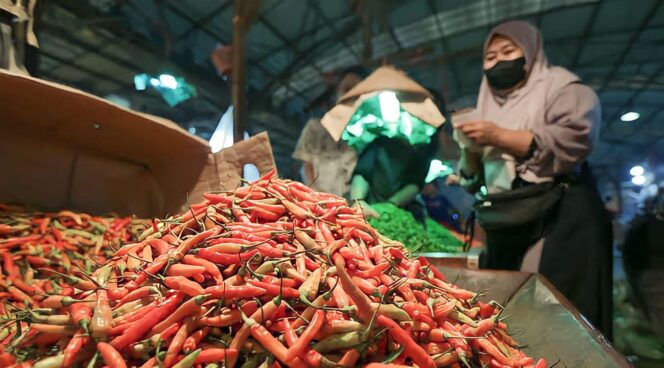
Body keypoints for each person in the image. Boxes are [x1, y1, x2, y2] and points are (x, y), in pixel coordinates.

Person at [454, 20, 613, 337]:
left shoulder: (563, 89)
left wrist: (497, 135)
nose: (499, 61)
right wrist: (470, 150)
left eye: (508, 51)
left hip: (560, 218)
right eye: (490, 56)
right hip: (510, 220)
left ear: (529, 53)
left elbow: (573, 140)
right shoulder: (484, 107)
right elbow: (474, 179)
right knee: (508, 315)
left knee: (559, 312)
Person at [292, 66, 369, 198]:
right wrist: (316, 197)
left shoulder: (366, 133)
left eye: (357, 91)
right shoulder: (315, 127)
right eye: (347, 88)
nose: (350, 95)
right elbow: (306, 165)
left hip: (349, 204)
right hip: (317, 201)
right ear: (337, 92)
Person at [622, 191, 664, 342]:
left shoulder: (641, 226)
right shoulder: (643, 226)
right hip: (652, 278)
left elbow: (628, 253)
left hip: (649, 278)